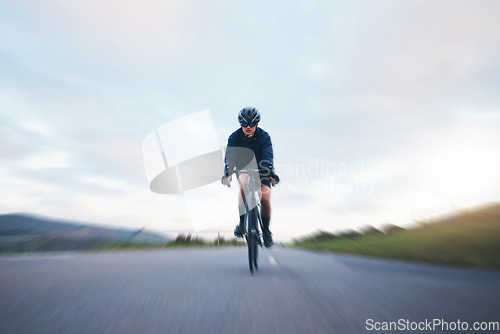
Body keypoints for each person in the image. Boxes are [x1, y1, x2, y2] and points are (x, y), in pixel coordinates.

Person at [221, 107, 279, 248]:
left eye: (252, 124)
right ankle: (242, 224)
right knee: (244, 182)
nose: (248, 127)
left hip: (262, 167)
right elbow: (230, 157)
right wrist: (227, 173)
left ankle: (266, 231)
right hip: (244, 167)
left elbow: (268, 155)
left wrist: (270, 172)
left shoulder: (264, 137)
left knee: (265, 199)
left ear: (257, 124)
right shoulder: (234, 137)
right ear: (240, 123)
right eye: (244, 124)